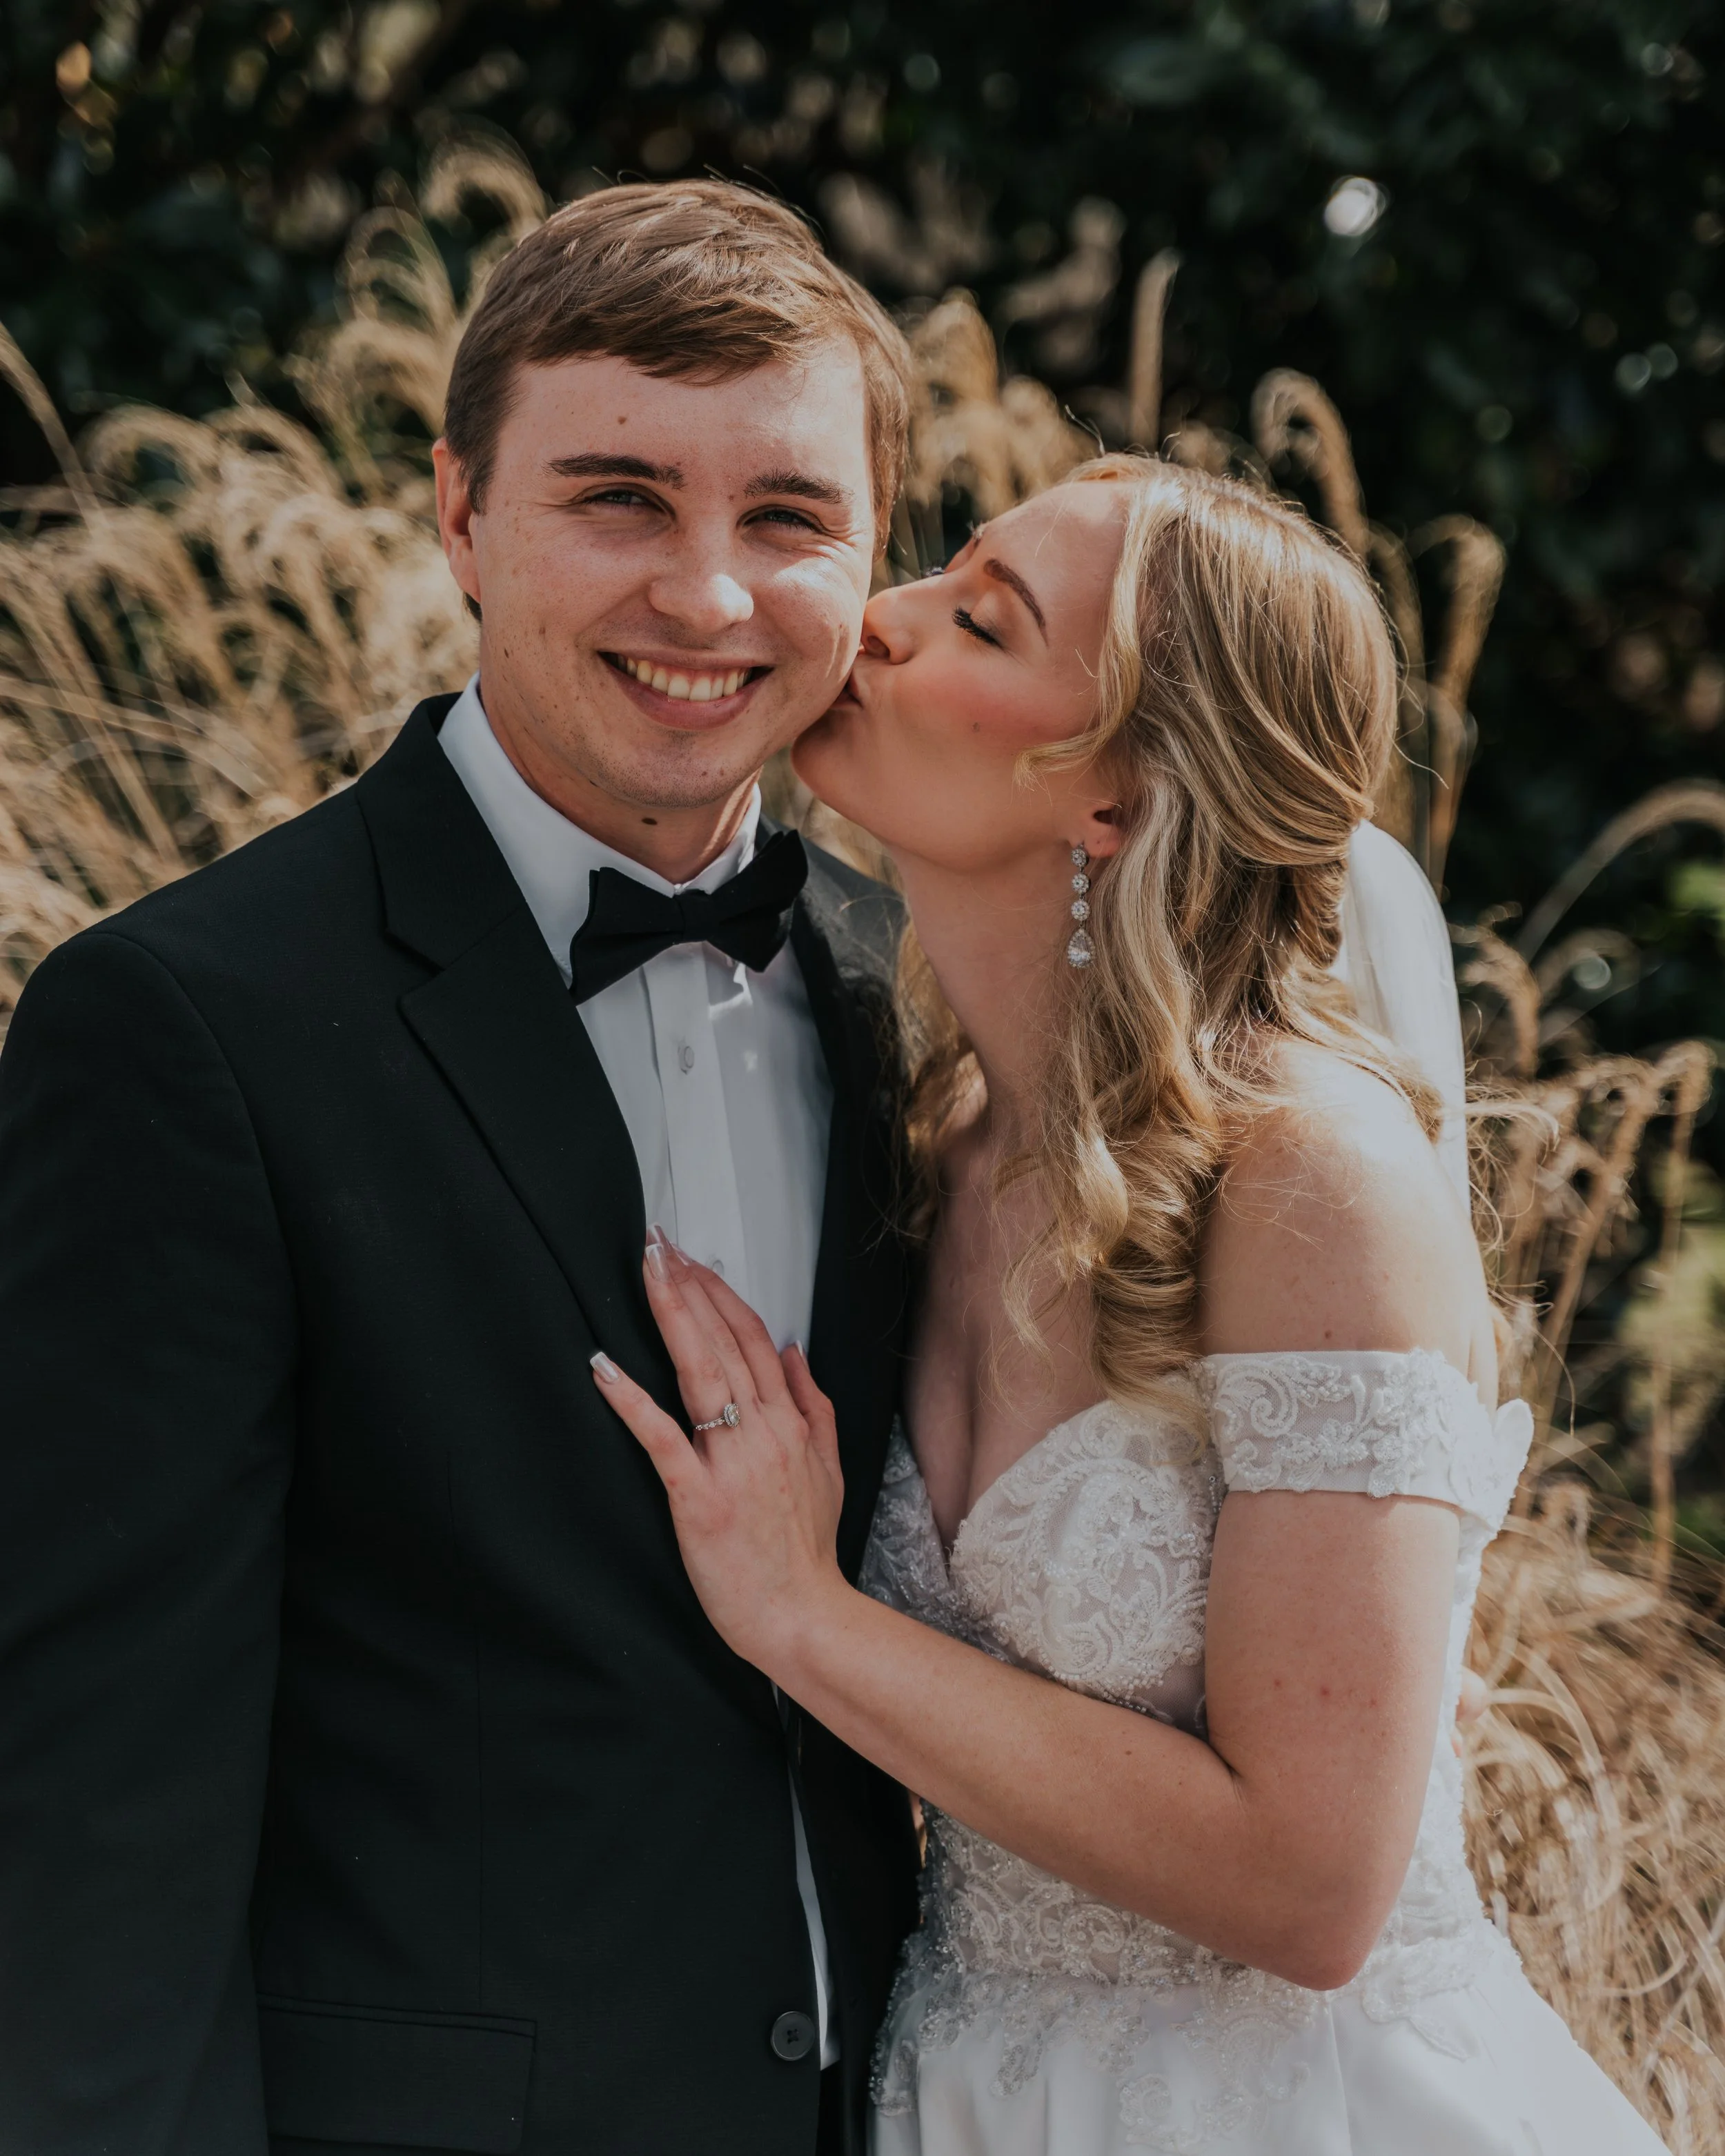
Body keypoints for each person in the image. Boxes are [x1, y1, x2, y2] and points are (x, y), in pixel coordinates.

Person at [591, 458, 1672, 2154]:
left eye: (981, 621)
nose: (877, 614)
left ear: (1112, 794)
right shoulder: (920, 1132)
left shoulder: (1307, 1176)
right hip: (960, 2088)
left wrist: (804, 1615)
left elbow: (1313, 1885)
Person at [0, 182, 922, 2156]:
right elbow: (94, 1813)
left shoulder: (925, 1003)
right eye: (619, 500)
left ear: (872, 556)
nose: (708, 597)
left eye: (787, 517)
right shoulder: (185, 1022)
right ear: (458, 516)